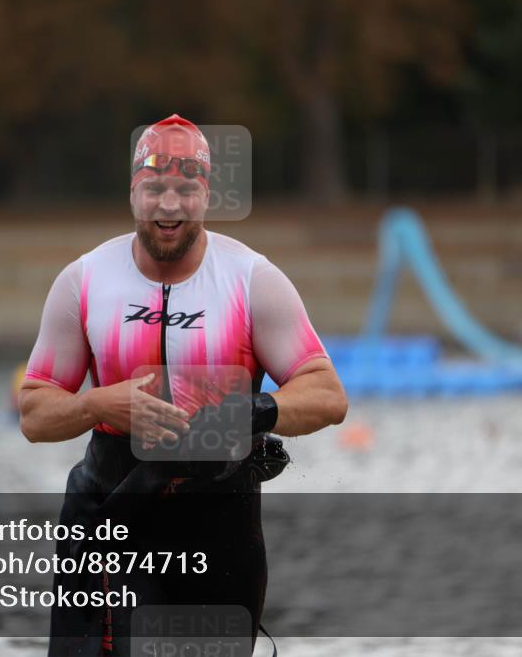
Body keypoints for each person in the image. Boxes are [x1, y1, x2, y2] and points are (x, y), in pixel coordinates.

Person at [20, 114, 347, 656]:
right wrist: (101, 403)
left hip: (218, 527)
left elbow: (327, 394)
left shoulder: (251, 280)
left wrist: (256, 411)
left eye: (184, 190)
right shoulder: (85, 280)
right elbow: (33, 414)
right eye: (154, 189)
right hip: (112, 512)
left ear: (206, 195)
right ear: (133, 192)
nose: (168, 206)